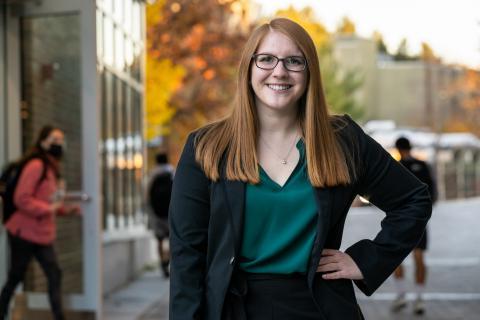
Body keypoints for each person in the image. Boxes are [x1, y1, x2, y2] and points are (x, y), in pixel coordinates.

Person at [169, 18, 432, 320]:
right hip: (235, 309)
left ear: (309, 73)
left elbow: (413, 200)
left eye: (294, 61)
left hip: (321, 308)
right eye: (266, 59)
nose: (279, 71)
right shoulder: (207, 147)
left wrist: (367, 260)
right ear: (248, 68)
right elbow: (186, 254)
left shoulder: (342, 140)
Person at [0, 125, 79, 320]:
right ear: (43, 142)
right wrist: (49, 209)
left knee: (54, 274)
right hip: (24, 232)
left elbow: (47, 200)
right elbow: (22, 198)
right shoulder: (36, 165)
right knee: (16, 276)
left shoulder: (51, 168)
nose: (58, 144)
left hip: (42, 234)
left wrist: (64, 210)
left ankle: (59, 316)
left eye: (61, 140)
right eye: (54, 140)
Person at [391, 137, 436, 315]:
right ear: (410, 147)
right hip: (418, 219)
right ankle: (419, 299)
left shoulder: (394, 167)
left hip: (400, 219)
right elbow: (432, 193)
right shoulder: (422, 165)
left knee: (395, 258)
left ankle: (402, 295)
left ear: (398, 148)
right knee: (419, 257)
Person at [147, 152, 174, 278]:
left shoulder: (152, 175)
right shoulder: (172, 173)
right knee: (171, 240)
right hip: (170, 212)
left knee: (159, 239)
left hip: (156, 213)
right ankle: (167, 259)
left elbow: (146, 194)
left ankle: (161, 262)